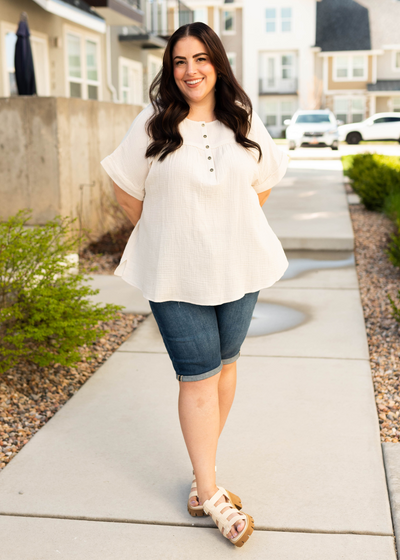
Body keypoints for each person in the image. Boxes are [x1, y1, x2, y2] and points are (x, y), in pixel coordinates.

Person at [100, 22, 289, 548]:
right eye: (180, 61)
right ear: (170, 69)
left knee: (226, 367)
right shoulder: (153, 123)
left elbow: (264, 180)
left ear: (217, 63)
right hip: (174, 272)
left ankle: (199, 477)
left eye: (201, 59)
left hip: (239, 268)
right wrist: (167, 232)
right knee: (198, 377)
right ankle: (211, 495)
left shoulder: (242, 119)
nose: (191, 70)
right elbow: (124, 188)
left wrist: (229, 227)